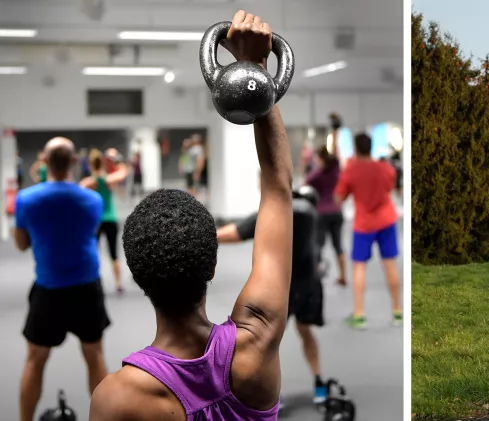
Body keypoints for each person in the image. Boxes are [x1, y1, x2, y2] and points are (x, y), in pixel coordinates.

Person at [88, 11, 291, 420]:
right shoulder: (257, 339)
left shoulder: (117, 398)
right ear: (212, 265)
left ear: (138, 276)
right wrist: (255, 71)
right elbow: (278, 187)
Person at [13, 137, 111, 421]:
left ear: (44, 162)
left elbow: (21, 244)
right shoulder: (92, 199)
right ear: (74, 162)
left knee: (35, 360)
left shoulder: (26, 199)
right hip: (86, 287)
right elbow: (88, 234)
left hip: (48, 290)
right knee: (94, 356)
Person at [217, 184, 329, 405]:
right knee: (305, 331)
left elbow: (237, 232)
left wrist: (208, 235)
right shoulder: (313, 216)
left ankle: (271, 395)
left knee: (268, 341)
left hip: (285, 288)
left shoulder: (285, 210)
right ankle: (319, 383)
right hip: (311, 284)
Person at [335, 133, 402, 329]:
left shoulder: (351, 170)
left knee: (359, 267)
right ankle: (397, 311)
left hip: (364, 224)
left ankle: (359, 315)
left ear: (355, 148)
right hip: (386, 219)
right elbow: (390, 187)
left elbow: (339, 198)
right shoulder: (385, 168)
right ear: (371, 147)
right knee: (390, 263)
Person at [80, 148, 129, 294]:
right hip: (110, 220)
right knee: (114, 254)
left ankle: (93, 281)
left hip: (95, 221)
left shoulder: (88, 183)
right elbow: (123, 172)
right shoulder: (108, 180)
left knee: (93, 253)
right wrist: (116, 159)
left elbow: (77, 191)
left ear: (90, 165)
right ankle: (118, 284)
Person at [306, 113, 347, 286]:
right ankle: (343, 276)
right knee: (338, 246)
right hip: (336, 212)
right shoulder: (335, 166)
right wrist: (335, 130)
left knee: (318, 245)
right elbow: (335, 148)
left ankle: (316, 275)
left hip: (322, 214)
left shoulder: (315, 175)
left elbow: (305, 187)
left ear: (318, 157)